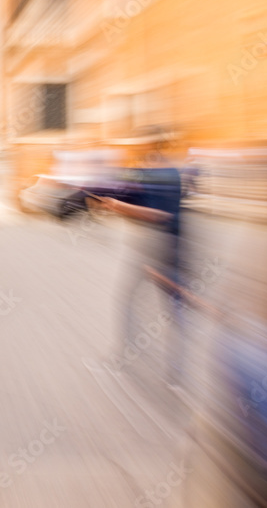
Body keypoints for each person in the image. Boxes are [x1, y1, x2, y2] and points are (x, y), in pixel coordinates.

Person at [91, 128, 187, 386]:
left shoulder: (167, 174)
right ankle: (124, 355)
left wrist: (118, 206)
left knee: (171, 309)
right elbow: (133, 200)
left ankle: (177, 369)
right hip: (144, 246)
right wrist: (112, 206)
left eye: (140, 143)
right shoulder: (144, 170)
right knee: (129, 300)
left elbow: (159, 215)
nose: (134, 148)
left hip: (163, 247)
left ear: (154, 144)